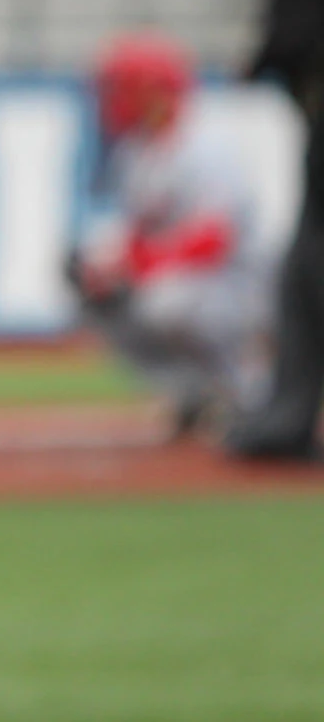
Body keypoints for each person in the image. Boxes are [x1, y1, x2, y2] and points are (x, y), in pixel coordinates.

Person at [68, 32, 270, 439]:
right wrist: (109, 266)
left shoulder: (205, 146)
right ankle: (189, 391)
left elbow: (215, 239)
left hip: (239, 286)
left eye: (123, 87)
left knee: (167, 300)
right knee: (99, 293)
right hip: (183, 278)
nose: (114, 98)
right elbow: (136, 232)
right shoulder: (136, 153)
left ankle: (251, 391)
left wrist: (142, 264)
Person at [226, 0, 324, 460]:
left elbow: (286, 42)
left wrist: (255, 63)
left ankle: (288, 418)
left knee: (307, 270)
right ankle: (288, 413)